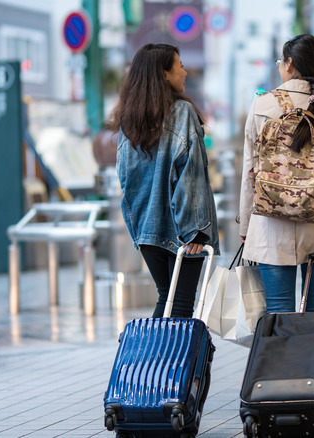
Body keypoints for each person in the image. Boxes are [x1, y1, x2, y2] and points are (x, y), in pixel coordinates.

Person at [238, 34, 314, 313]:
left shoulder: (262, 105)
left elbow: (249, 170)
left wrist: (246, 227)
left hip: (270, 227)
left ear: (288, 64)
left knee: (278, 312)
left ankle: (282, 358)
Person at [110, 43, 219, 319]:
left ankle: (153, 360)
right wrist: (195, 229)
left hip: (147, 230)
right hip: (184, 230)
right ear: (164, 74)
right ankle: (166, 363)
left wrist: (140, 229)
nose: (184, 72)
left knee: (166, 297)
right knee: (180, 304)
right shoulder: (182, 113)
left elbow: (125, 177)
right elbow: (189, 173)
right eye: (179, 65)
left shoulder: (129, 120)